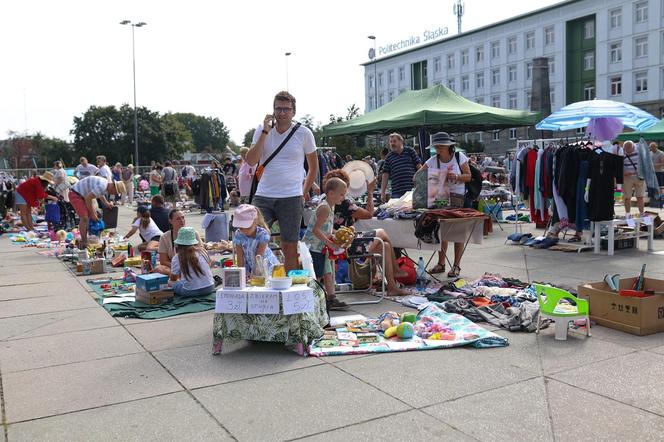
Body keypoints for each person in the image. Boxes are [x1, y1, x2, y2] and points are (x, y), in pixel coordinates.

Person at [246, 90, 318, 272]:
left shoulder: (304, 133)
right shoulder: (262, 130)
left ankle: (291, 287)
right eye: (278, 109)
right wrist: (264, 132)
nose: (282, 113)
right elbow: (251, 160)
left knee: (289, 245)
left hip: (291, 195)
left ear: (294, 111)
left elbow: (313, 168)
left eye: (286, 109)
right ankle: (256, 279)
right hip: (264, 194)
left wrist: (303, 192)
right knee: (252, 237)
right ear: (273, 110)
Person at [324, 169, 410, 296]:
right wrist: (370, 192)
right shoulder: (345, 203)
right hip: (345, 246)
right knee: (382, 232)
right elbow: (369, 214)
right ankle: (396, 270)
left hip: (339, 243)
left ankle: (392, 287)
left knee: (384, 246)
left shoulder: (324, 200)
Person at [419, 132, 472, 277]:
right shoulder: (432, 160)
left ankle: (456, 266)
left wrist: (456, 177)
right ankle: (441, 263)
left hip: (457, 197)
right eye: (436, 146)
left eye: (441, 146)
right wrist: (431, 179)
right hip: (440, 198)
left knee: (458, 232)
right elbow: (417, 176)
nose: (438, 149)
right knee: (442, 231)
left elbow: (468, 176)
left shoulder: (459, 157)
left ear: (449, 146)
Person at [302, 177, 349, 309]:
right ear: (331, 193)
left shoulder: (331, 206)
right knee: (316, 274)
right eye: (341, 194)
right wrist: (331, 244)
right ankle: (314, 301)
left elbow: (325, 228)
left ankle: (331, 297)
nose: (343, 197)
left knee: (328, 272)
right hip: (313, 247)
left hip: (321, 246)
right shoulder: (325, 208)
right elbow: (316, 230)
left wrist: (337, 235)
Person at [70, 176, 125, 247]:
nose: (113, 194)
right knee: (84, 218)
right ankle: (84, 241)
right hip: (75, 194)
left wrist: (107, 204)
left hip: (82, 195)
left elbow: (100, 195)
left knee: (91, 217)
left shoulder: (105, 185)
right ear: (113, 187)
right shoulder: (103, 186)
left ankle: (87, 237)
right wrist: (92, 214)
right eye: (115, 192)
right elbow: (88, 199)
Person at [232, 204, 279, 277]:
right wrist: (241, 274)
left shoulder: (262, 234)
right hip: (251, 267)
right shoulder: (238, 234)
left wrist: (255, 275)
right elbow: (240, 257)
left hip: (267, 267)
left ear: (255, 221)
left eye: (247, 227)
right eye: (241, 227)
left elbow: (259, 257)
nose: (244, 230)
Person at [168, 227, 215, 297]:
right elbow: (210, 264)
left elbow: (173, 278)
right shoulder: (202, 251)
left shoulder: (178, 257)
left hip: (190, 291)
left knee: (170, 282)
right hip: (210, 287)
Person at [154, 209, 202, 275]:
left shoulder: (194, 233)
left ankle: (179, 277)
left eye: (183, 217)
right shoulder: (164, 237)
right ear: (170, 221)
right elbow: (163, 261)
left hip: (192, 266)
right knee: (158, 269)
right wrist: (178, 267)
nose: (182, 221)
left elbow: (201, 254)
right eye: (178, 219)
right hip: (174, 267)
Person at [380, 133, 422, 202]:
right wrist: (382, 192)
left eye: (394, 141)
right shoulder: (389, 157)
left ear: (401, 141)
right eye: (391, 142)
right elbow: (385, 175)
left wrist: (422, 185)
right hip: (397, 192)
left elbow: (420, 168)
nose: (392, 143)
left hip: (412, 190)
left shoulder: (410, 151)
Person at [622, 140, 645, 216]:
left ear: (633, 147)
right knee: (627, 197)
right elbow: (618, 165)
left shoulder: (639, 150)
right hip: (627, 177)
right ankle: (628, 214)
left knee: (640, 196)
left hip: (639, 176)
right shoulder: (621, 152)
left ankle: (641, 214)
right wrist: (623, 172)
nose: (627, 151)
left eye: (629, 150)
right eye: (626, 149)